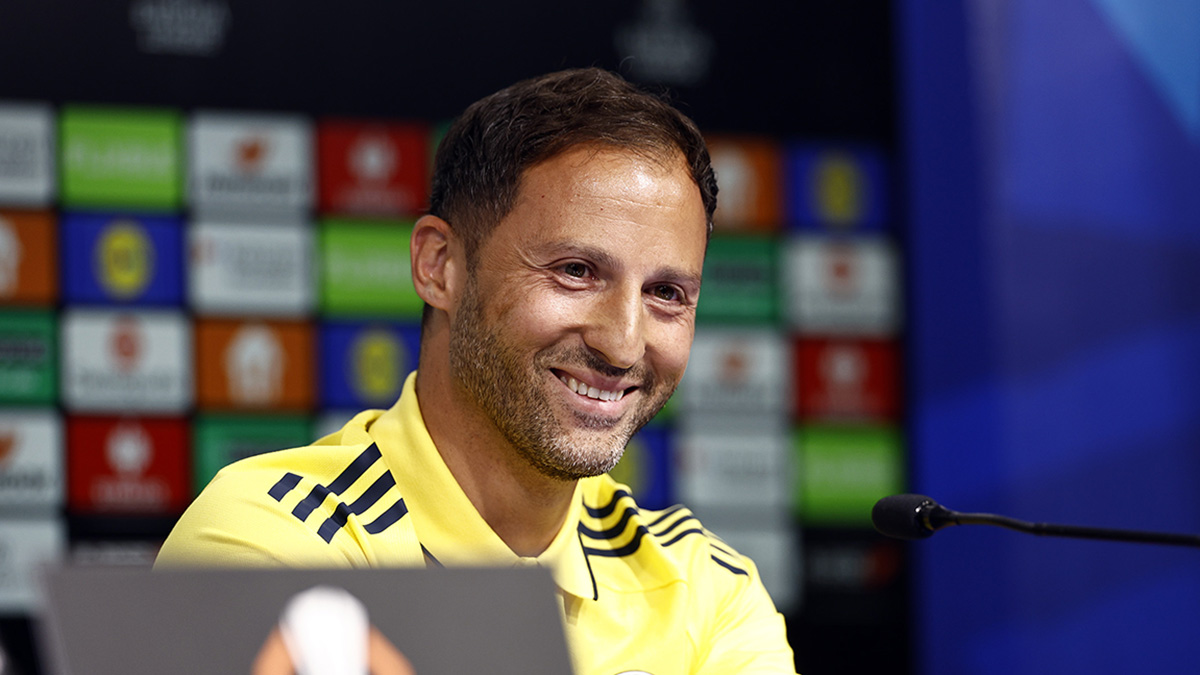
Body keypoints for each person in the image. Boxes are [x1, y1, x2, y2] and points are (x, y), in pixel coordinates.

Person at [157, 67, 798, 674]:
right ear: (439, 266)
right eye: (576, 272)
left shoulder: (706, 591)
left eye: (666, 293)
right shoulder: (270, 543)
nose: (624, 344)